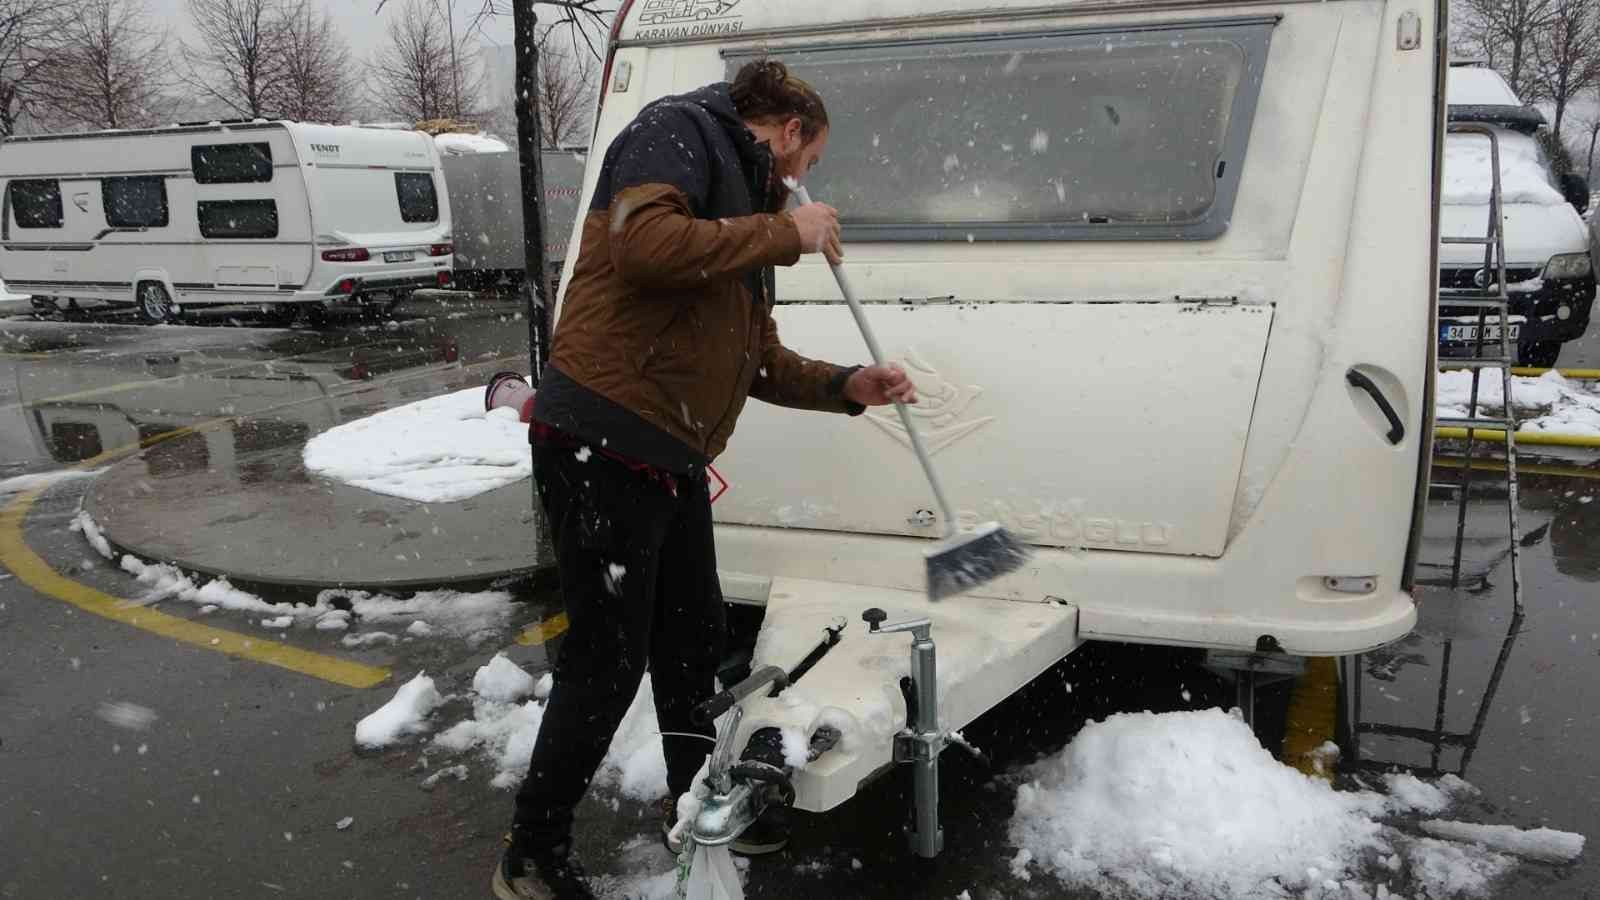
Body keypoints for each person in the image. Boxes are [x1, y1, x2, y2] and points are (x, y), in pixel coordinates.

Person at [493, 60, 918, 900]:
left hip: (669, 456)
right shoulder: (676, 131)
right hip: (602, 441)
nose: (805, 183)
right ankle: (531, 853)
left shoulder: (751, 208)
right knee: (606, 661)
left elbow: (754, 357)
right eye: (811, 160)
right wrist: (784, 235)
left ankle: (695, 804)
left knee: (690, 638)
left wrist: (845, 386)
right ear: (789, 130)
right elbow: (644, 247)